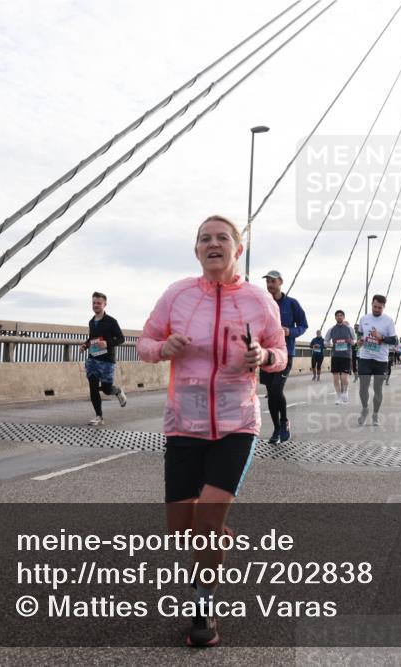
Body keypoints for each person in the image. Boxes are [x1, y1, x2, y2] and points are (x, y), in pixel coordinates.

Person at [137, 214, 287, 648]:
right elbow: (144, 343)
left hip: (236, 424)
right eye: (205, 238)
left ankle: (204, 603)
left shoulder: (260, 301)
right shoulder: (177, 295)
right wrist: (162, 348)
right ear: (197, 250)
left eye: (223, 237)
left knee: (204, 524)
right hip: (184, 424)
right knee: (181, 528)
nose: (213, 243)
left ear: (237, 250)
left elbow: (281, 352)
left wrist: (264, 356)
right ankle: (214, 534)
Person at [261, 270, 308, 444]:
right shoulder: (263, 303)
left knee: (276, 391)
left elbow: (304, 325)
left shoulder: (292, 304)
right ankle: (276, 429)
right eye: (267, 282)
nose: (270, 285)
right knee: (270, 393)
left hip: (286, 353)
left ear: (281, 282)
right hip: (266, 355)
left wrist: (291, 331)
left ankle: (283, 422)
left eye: (273, 281)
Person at [80, 291, 127, 426]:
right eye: (94, 303)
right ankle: (99, 416)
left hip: (107, 360)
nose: (95, 305)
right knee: (93, 387)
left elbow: (121, 339)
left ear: (104, 304)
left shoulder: (111, 321)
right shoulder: (91, 321)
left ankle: (117, 391)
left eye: (98, 303)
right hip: (93, 359)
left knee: (106, 389)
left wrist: (107, 343)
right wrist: (85, 344)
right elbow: (92, 338)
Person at [356, 295, 398, 426]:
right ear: (371, 305)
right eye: (375, 306)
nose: (377, 309)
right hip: (365, 357)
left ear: (384, 307)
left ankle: (375, 414)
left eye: (380, 307)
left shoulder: (388, 321)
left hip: (381, 359)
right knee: (363, 387)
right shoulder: (364, 319)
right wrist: (361, 341)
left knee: (377, 388)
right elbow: (361, 334)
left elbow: (395, 340)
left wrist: (381, 337)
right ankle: (365, 409)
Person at [324, 310, 354, 404]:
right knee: (336, 378)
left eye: (341, 315)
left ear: (344, 317)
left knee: (344, 378)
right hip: (336, 356)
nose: (339, 317)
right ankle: (338, 396)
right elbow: (325, 341)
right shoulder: (331, 329)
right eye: (337, 315)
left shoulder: (349, 328)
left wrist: (352, 342)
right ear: (335, 317)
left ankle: (345, 392)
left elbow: (354, 339)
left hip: (346, 356)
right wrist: (327, 344)